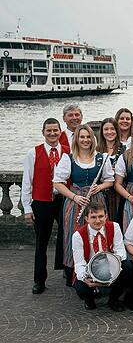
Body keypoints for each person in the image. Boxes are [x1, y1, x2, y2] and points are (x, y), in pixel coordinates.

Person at [53, 124, 115, 286]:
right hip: (76, 203)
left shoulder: (101, 158)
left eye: (88, 137)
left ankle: (99, 271)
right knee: (75, 236)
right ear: (76, 139)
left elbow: (110, 180)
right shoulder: (69, 158)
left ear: (93, 139)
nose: (85, 140)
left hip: (96, 201)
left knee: (97, 234)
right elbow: (57, 183)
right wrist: (75, 197)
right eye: (82, 137)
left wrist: (99, 187)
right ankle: (77, 275)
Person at [22, 118, 70, 294]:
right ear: (43, 132)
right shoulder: (33, 153)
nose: (52, 134)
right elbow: (27, 182)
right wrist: (27, 208)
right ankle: (39, 280)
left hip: (63, 200)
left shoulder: (67, 152)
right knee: (41, 243)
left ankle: (69, 272)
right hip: (42, 202)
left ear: (60, 132)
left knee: (68, 239)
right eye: (49, 131)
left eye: (55, 130)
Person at [71, 203, 129, 311]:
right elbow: (79, 263)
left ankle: (113, 300)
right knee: (80, 287)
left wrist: (114, 269)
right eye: (93, 217)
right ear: (86, 219)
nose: (98, 221)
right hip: (90, 268)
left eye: (101, 216)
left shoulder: (114, 227)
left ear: (106, 216)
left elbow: (121, 251)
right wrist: (86, 278)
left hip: (110, 264)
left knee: (128, 267)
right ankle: (89, 299)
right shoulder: (77, 236)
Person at [96, 117, 125, 225]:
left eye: (112, 129)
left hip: (118, 192)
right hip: (102, 192)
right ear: (102, 132)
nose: (109, 132)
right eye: (106, 129)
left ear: (117, 131)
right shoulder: (96, 150)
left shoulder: (124, 149)